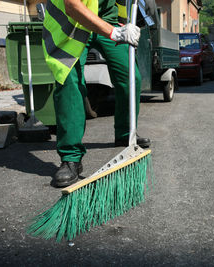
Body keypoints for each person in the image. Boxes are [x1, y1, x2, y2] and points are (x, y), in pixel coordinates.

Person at [42, 0, 151, 187]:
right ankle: (71, 158)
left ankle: (125, 133)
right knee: (70, 81)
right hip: (72, 23)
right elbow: (72, 5)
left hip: (108, 19)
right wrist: (114, 33)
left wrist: (122, 24)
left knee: (131, 77)